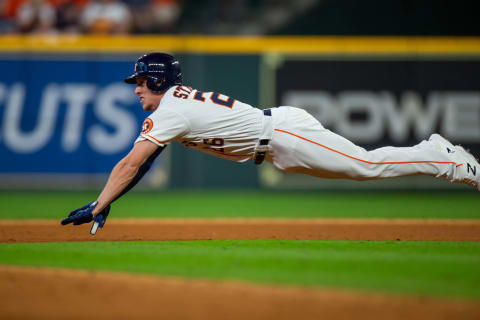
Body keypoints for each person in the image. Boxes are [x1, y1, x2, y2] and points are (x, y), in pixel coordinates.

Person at [61, 52, 480, 233]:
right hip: (278, 144)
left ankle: (446, 160)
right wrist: (109, 201)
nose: (135, 89)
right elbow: (145, 164)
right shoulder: (171, 108)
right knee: (362, 168)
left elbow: (130, 164)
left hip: (281, 134)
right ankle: (439, 155)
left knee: (365, 165)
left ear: (157, 79)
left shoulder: (169, 110)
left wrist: (99, 203)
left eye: (139, 81)